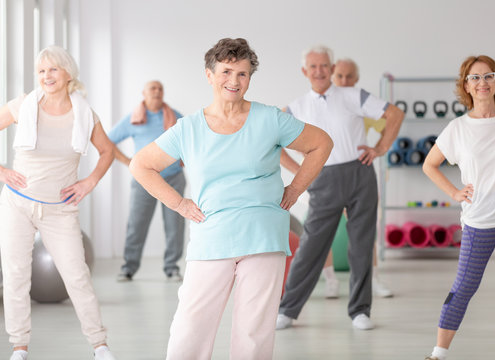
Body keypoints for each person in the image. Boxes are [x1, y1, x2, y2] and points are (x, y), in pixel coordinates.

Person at [129, 38, 332, 359]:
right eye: (226, 72)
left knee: (254, 335)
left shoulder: (270, 119)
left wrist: (295, 189)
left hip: (263, 236)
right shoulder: (189, 128)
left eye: (242, 74)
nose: (234, 81)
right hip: (212, 236)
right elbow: (141, 164)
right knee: (189, 331)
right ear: (209, 75)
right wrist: (179, 203)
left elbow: (321, 143)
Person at [0, 45, 116, 360]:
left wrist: (89, 182)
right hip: (17, 203)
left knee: (77, 275)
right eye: (41, 71)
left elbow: (108, 151)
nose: (46, 76)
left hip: (60, 208)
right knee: (15, 275)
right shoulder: (23, 105)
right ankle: (19, 346)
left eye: (53, 69)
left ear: (67, 73)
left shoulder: (84, 114)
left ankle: (100, 345)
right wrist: (2, 172)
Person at [277, 45, 404, 331]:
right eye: (314, 67)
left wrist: (380, 147)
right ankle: (287, 310)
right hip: (323, 180)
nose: (320, 71)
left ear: (332, 68)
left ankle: (360, 311)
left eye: (324, 66)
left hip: (360, 175)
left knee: (361, 245)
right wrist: (302, 173)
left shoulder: (352, 95)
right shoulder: (295, 108)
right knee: (311, 247)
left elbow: (394, 114)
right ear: (305, 72)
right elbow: (274, 145)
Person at [422, 55, 495, 360]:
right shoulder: (457, 129)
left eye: (489, 76)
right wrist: (454, 192)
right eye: (475, 77)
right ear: (466, 86)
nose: (482, 82)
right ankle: (438, 353)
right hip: (479, 218)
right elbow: (430, 165)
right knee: (463, 286)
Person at [108, 80, 186, 282]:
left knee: (174, 225)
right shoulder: (133, 119)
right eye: (153, 88)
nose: (157, 91)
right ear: (144, 93)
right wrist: (128, 161)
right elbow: (108, 141)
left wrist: (185, 159)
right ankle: (128, 268)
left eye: (161, 88)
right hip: (143, 180)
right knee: (136, 223)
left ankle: (172, 268)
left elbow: (191, 139)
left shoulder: (175, 116)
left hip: (174, 178)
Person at [331, 57, 394, 299]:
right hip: (326, 176)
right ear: (332, 77)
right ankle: (330, 280)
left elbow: (390, 121)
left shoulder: (362, 104)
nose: (344, 81)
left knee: (366, 230)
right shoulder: (322, 103)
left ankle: (373, 278)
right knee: (320, 233)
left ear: (356, 79)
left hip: (357, 175)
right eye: (340, 76)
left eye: (349, 76)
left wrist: (377, 149)